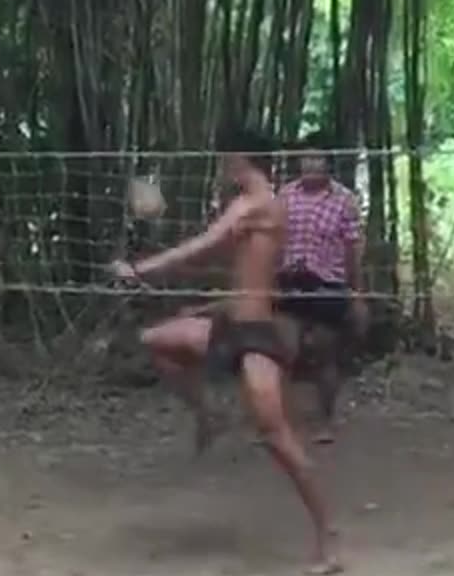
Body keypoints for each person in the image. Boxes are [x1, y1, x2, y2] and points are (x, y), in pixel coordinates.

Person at [110, 131, 341, 574]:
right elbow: (226, 263)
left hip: (256, 334)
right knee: (158, 341)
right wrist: (205, 302)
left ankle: (327, 537)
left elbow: (202, 245)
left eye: (226, 160)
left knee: (278, 439)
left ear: (242, 160)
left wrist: (139, 270)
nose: (222, 167)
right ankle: (208, 416)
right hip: (231, 322)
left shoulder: (257, 203)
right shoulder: (248, 208)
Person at [277, 133, 367, 445]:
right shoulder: (285, 195)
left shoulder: (344, 200)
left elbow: (353, 248)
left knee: (325, 354)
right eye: (306, 157)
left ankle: (325, 421)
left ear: (330, 163)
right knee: (282, 350)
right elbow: (273, 240)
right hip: (289, 281)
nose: (311, 163)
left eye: (318, 158)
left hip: (328, 283)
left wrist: (356, 291)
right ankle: (280, 422)